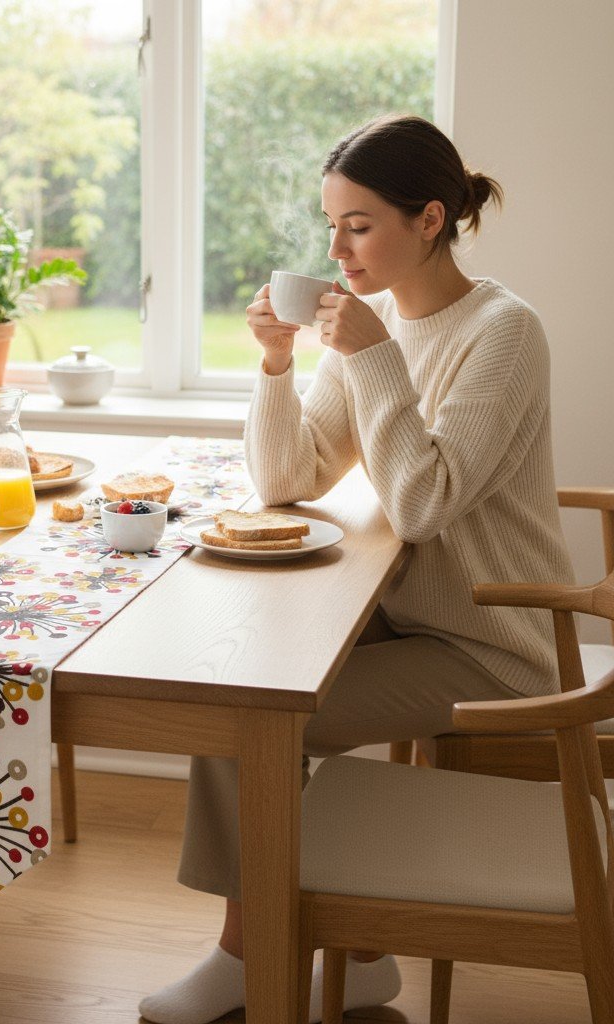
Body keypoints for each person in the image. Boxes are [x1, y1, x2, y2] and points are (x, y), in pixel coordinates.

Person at [139, 113, 575, 1024]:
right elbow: (286, 479)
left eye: (359, 226)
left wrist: (373, 356)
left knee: (253, 721)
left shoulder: (503, 332)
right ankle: (347, 959)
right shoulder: (368, 329)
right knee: (236, 685)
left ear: (429, 219)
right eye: (330, 225)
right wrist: (275, 363)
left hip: (493, 642)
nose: (336, 250)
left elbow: (422, 504)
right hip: (411, 616)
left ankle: (251, 957)